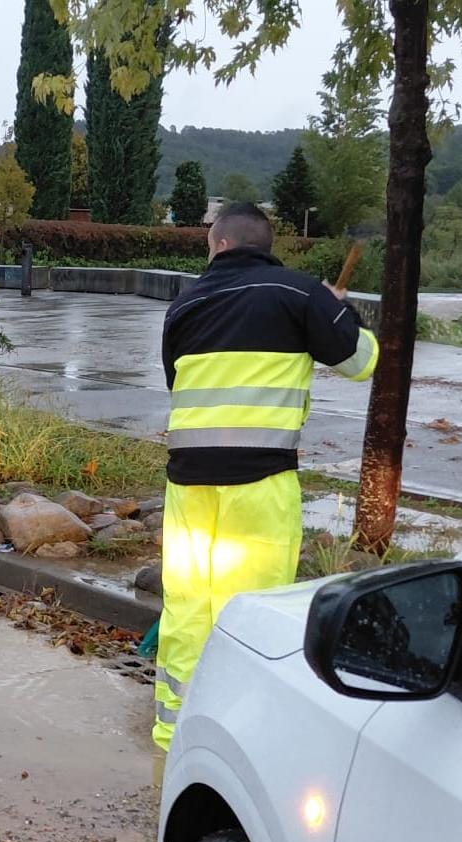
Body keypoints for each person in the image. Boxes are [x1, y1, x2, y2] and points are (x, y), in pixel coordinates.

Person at [153, 202, 379, 751]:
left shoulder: (184, 306)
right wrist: (341, 312)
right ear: (264, 244)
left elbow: (175, 384)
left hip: (187, 483)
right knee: (251, 605)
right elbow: (360, 362)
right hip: (259, 481)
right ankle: (239, 735)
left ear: (222, 243)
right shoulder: (300, 293)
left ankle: (171, 728)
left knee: (187, 602)